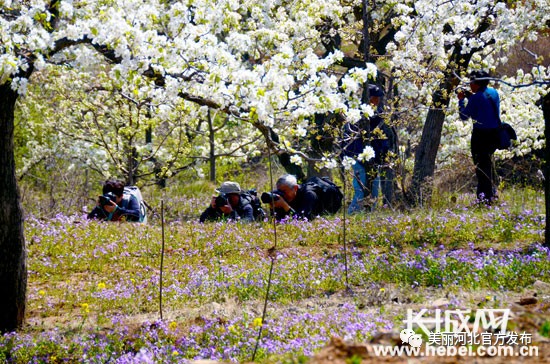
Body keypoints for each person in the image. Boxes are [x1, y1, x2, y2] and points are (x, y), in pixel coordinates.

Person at [342, 84, 395, 213]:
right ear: (369, 98)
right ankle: (351, 216)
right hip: (359, 158)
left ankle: (368, 218)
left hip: (371, 159)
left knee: (374, 191)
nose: (378, 101)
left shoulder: (376, 115)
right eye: (375, 98)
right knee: (361, 190)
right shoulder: (359, 115)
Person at [458, 70, 500, 203]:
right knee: (488, 164)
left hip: (480, 136)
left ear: (477, 83)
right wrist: (471, 96)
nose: (470, 84)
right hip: (494, 134)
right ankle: (492, 193)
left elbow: (464, 116)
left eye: (471, 81)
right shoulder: (494, 92)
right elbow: (484, 103)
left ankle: (485, 198)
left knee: (481, 167)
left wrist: (461, 101)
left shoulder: (476, 98)